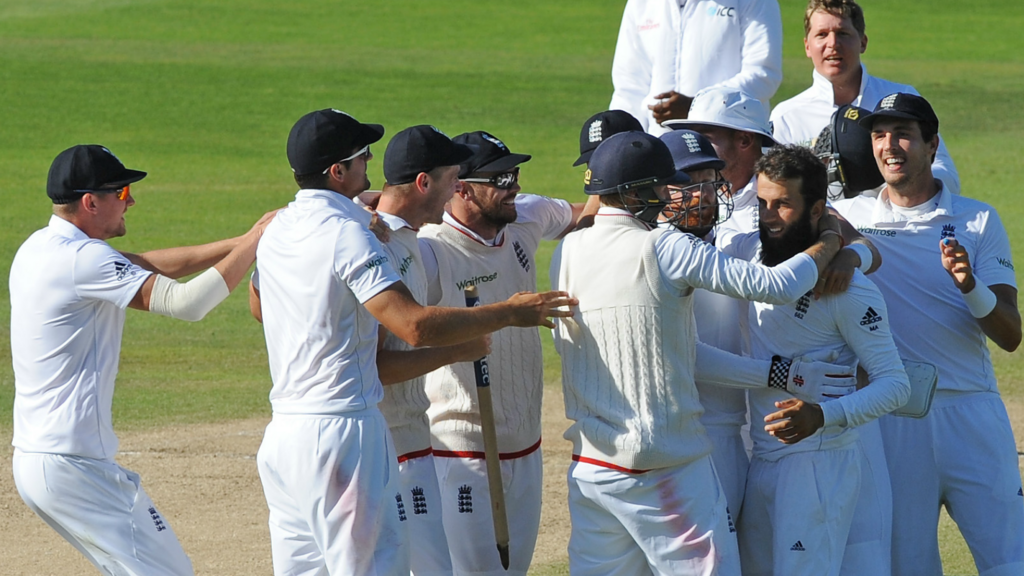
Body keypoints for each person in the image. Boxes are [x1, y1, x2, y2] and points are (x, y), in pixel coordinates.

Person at [250, 112, 575, 576]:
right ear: (337, 171)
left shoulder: (283, 227)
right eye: (362, 157)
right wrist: (508, 315)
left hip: (285, 434)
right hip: (350, 432)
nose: (370, 166)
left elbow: (260, 307)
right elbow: (414, 327)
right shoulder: (356, 234)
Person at [550, 131, 859, 575]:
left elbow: (676, 352)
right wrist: (831, 238)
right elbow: (779, 286)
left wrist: (782, 375)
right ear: (635, 193)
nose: (667, 197)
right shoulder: (664, 245)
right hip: (666, 468)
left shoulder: (568, 250)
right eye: (660, 187)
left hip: (594, 470)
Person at [11, 144, 274, 576]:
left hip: (40, 461)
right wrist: (256, 245)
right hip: (73, 467)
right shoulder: (84, 259)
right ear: (90, 202)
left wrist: (245, 239)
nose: (131, 200)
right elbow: (187, 303)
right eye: (122, 191)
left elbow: (147, 266)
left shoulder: (40, 248)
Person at [832, 93, 1024, 576]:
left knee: (1011, 561)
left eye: (902, 134)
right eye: (878, 135)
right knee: (907, 566)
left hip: (972, 414)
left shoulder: (977, 219)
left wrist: (969, 284)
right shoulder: (849, 219)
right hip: (893, 421)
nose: (889, 146)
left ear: (932, 144)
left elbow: (1010, 333)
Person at [720, 144, 909, 576]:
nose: (769, 215)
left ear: (816, 208)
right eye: (763, 203)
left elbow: (895, 384)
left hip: (818, 461)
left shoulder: (848, 289)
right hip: (763, 457)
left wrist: (823, 416)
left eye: (783, 204)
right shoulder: (751, 254)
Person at [416, 130, 589, 576]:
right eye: (501, 178)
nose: (514, 186)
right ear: (461, 188)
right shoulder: (432, 250)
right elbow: (413, 326)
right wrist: (506, 314)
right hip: (462, 450)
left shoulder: (523, 217)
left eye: (515, 174)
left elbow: (587, 215)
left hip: (525, 445)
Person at [770, 0, 959, 195]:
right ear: (807, 46)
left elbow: (947, 178)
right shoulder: (786, 117)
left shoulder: (902, 99)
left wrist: (897, 187)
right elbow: (774, 193)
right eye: (822, 34)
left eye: (843, 33)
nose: (833, 43)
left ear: (863, 42)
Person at [609, 0, 783, 135]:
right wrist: (618, 144)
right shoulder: (640, 4)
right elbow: (629, 87)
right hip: (660, 148)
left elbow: (764, 75)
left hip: (728, 147)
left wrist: (696, 107)